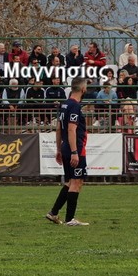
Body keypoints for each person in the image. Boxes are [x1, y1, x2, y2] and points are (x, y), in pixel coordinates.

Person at [45, 77, 89, 226]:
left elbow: (58, 129)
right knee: (76, 182)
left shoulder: (64, 104)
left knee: (70, 182)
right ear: (83, 89)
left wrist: (59, 149)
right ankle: (70, 220)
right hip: (75, 149)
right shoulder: (75, 106)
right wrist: (75, 152)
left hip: (65, 147)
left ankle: (53, 213)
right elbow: (71, 129)